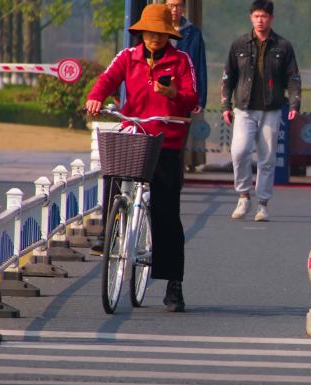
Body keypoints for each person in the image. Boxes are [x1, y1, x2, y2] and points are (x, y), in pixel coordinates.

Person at [86, 4, 198, 312]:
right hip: (134, 131)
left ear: (168, 35)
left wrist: (174, 93)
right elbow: (107, 80)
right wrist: (96, 96)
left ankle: (173, 284)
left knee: (166, 212)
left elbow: (192, 98)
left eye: (160, 34)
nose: (154, 38)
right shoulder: (127, 56)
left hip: (167, 138)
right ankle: (109, 231)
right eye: (149, 32)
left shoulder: (181, 60)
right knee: (113, 175)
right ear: (141, 32)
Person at [222, 0, 301, 222]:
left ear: (271, 18)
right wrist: (225, 105)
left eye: (264, 16)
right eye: (256, 16)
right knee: (239, 151)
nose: (260, 20)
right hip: (244, 108)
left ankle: (263, 203)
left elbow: (293, 77)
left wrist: (294, 103)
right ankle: (243, 195)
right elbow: (228, 78)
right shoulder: (239, 44)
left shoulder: (283, 46)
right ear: (250, 17)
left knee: (267, 158)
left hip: (272, 108)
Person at [167, 0, 208, 173]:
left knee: (181, 138)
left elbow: (200, 66)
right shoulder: (157, 30)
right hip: (161, 93)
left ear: (184, 8)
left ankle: (178, 174)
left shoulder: (193, 33)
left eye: (178, 6)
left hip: (183, 94)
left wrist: (201, 98)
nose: (174, 10)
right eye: (170, 5)